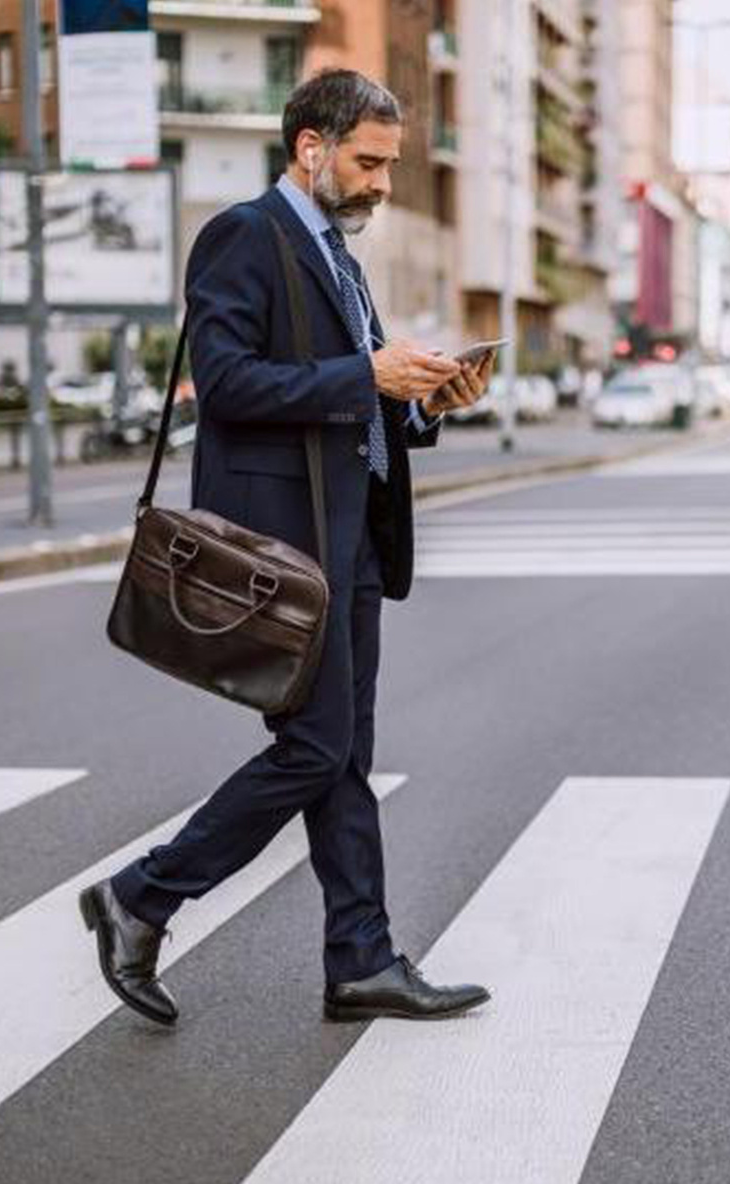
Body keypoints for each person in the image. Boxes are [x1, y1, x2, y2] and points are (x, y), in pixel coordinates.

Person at [78, 69, 495, 1027]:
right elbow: (224, 385)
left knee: (344, 755)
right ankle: (143, 895)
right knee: (314, 750)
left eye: (389, 164)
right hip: (282, 551)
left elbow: (361, 395)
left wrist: (424, 401)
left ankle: (360, 961)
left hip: (347, 543)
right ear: (311, 147)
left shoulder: (342, 262)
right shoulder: (244, 238)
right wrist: (367, 372)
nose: (383, 184)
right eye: (369, 161)